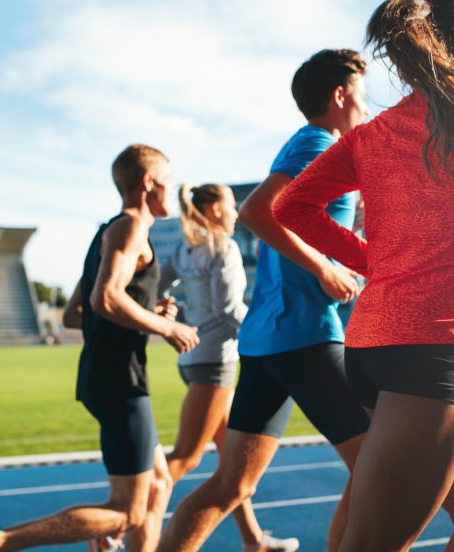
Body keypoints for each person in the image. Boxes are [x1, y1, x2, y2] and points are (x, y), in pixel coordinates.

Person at [272, 2, 454, 550]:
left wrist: (370, 261)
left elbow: (292, 206)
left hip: (371, 349)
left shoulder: (373, 132)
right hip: (429, 357)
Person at [159, 49, 372, 552]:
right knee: (377, 467)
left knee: (233, 485)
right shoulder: (318, 142)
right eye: (362, 97)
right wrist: (324, 268)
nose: (367, 108)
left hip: (267, 340)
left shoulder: (311, 147)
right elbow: (257, 211)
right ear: (339, 96)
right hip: (303, 334)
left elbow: (290, 223)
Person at [0, 144, 200, 552]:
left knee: (158, 484)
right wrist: (165, 327)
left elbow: (74, 314)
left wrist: (145, 308)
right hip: (120, 380)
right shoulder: (130, 228)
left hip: (109, 376)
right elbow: (104, 300)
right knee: (128, 512)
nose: (171, 189)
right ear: (147, 182)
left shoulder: (107, 231)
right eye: (168, 180)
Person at [159, 183, 299, 551]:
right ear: (213, 208)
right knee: (184, 458)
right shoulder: (224, 248)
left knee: (232, 463)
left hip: (190, 358)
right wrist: (266, 326)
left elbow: (158, 286)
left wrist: (167, 307)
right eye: (231, 204)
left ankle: (254, 540)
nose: (237, 211)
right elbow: (229, 310)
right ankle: (124, 524)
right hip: (215, 362)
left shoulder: (183, 248)